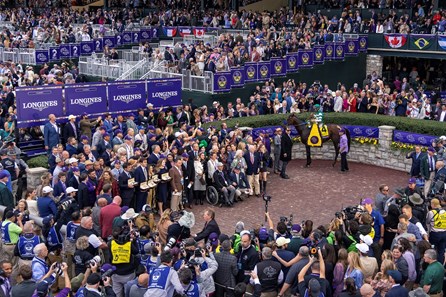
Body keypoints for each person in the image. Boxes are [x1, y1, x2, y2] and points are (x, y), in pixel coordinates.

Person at [108, 225, 139, 297]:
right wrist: (133, 241)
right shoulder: (128, 244)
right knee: (127, 293)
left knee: (116, 294)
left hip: (116, 273)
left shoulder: (110, 243)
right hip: (128, 274)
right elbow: (136, 252)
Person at [425, 198, 446, 264]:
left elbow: (427, 222)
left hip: (434, 234)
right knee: (441, 251)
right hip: (444, 234)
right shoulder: (444, 212)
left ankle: (433, 264)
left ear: (432, 204)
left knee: (433, 250)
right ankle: (440, 264)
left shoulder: (431, 212)